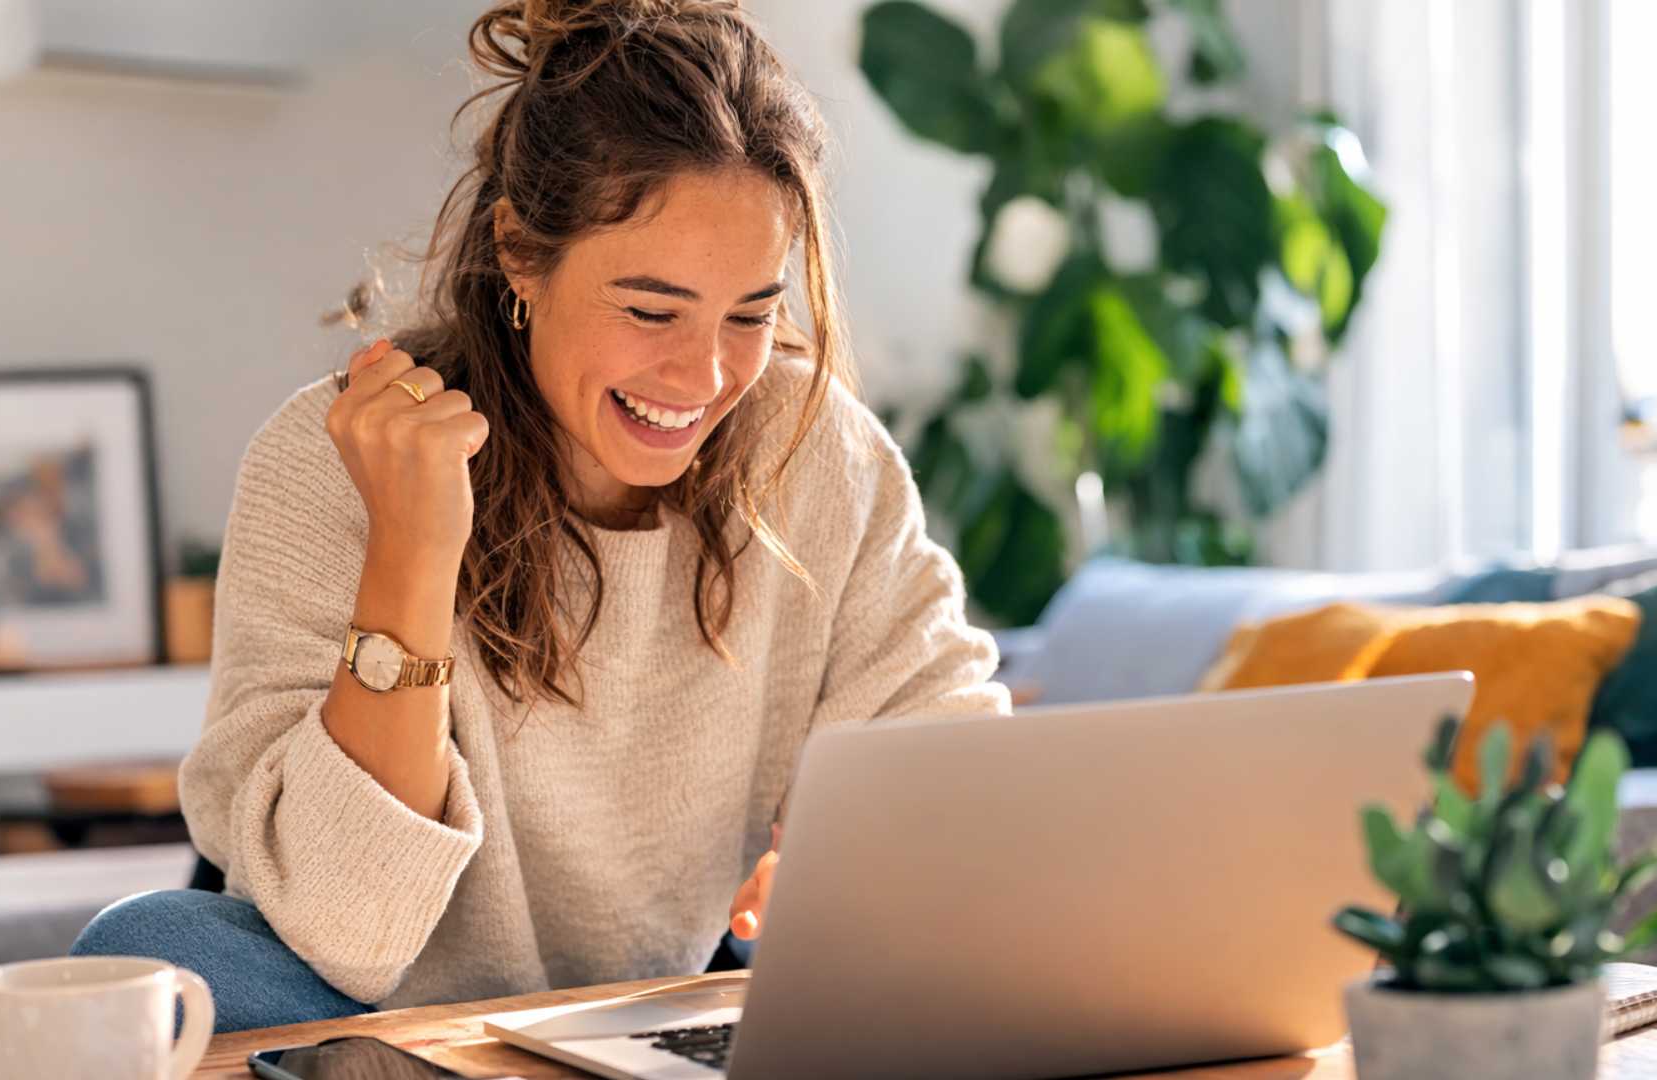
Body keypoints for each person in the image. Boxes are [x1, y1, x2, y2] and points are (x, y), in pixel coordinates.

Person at [73, 0, 1007, 1033]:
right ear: (521, 250)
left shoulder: (816, 450)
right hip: (386, 1025)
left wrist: (858, 867)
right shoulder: (331, 460)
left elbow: (948, 753)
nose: (703, 375)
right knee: (152, 949)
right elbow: (342, 929)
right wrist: (416, 548)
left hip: (659, 1009)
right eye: (651, 310)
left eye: (750, 314)